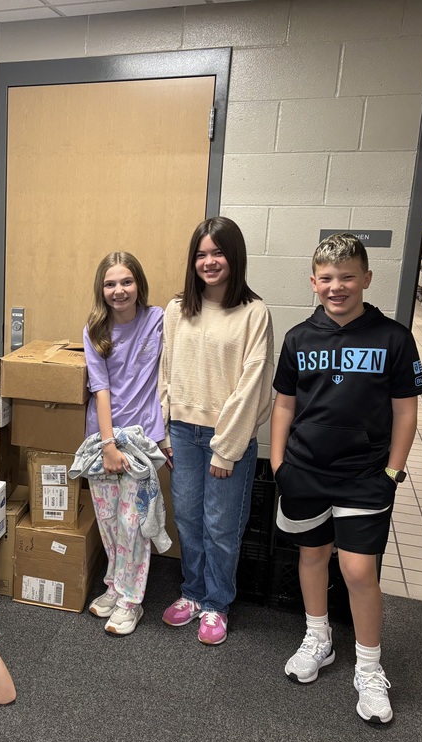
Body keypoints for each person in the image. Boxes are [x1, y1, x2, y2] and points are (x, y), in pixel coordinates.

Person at [270, 232, 422, 725]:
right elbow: (284, 404)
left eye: (347, 277)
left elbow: (406, 412)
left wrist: (393, 472)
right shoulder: (298, 338)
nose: (337, 287)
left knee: (359, 572)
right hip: (305, 471)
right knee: (312, 556)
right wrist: (278, 465)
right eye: (327, 278)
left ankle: (369, 667)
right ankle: (319, 639)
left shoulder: (394, 338)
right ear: (314, 281)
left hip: (364, 477)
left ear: (366, 279)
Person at [158, 216, 274, 646]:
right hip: (183, 435)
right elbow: (165, 372)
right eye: (201, 254)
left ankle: (217, 603)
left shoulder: (253, 313)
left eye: (218, 252)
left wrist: (226, 449)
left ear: (234, 256)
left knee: (221, 525)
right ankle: (191, 592)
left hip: (229, 438)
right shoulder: (177, 309)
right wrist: (165, 431)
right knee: (187, 518)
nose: (209, 262)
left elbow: (254, 383)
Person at [73, 252, 171, 637]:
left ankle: (132, 600)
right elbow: (101, 389)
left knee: (134, 524)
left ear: (138, 285)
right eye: (110, 283)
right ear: (102, 288)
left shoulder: (158, 319)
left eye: (126, 282)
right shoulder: (95, 328)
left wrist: (163, 437)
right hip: (104, 438)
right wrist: (108, 444)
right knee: (109, 521)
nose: (119, 290)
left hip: (141, 441)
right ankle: (115, 586)